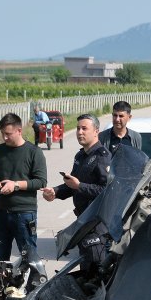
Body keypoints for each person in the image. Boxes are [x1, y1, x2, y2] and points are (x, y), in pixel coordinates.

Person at [41, 113, 112, 267]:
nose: (79, 132)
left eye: (84, 128)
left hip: (97, 224)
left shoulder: (102, 156)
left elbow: (106, 191)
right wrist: (55, 192)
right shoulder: (80, 155)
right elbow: (72, 185)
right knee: (85, 270)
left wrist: (80, 186)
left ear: (96, 131)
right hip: (83, 222)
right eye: (78, 128)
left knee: (95, 270)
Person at [0, 113, 47, 262]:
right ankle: (4, 285)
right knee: (0, 259)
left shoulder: (34, 152)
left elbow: (41, 181)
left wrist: (15, 185)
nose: (5, 137)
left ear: (19, 131)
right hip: (0, 213)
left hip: (24, 214)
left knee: (30, 257)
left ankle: (34, 285)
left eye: (8, 134)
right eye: (3, 134)